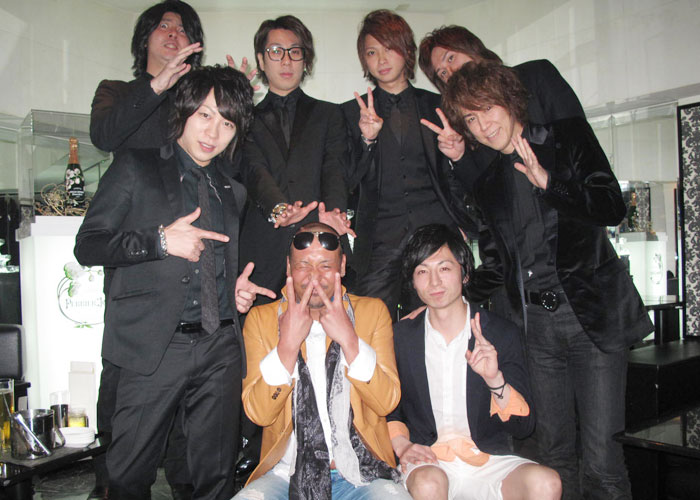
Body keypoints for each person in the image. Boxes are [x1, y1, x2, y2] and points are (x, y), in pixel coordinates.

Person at [441, 62, 654, 499]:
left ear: (509, 99)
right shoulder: (488, 183)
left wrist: (550, 183)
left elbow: (612, 207)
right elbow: (496, 264)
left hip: (589, 318)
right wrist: (444, 303)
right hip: (535, 328)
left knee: (603, 460)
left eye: (487, 109)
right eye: (471, 120)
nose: (483, 126)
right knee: (553, 456)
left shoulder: (565, 138)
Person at [75, 65, 273, 500]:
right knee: (129, 474)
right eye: (205, 115)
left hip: (220, 346)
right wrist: (161, 241)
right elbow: (88, 245)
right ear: (184, 110)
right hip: (154, 346)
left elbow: (216, 264)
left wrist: (233, 295)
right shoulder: (136, 166)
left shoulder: (233, 191)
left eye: (227, 123)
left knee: (214, 477)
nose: (214, 132)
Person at [233, 223, 411, 500]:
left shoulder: (371, 312)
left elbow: (386, 402)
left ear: (342, 266)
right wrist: (287, 346)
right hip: (286, 474)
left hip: (362, 472)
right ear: (289, 268)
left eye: (325, 266)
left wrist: (350, 341)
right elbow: (259, 414)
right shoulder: (262, 319)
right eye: (303, 265)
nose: (314, 277)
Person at [390, 224, 561, 500]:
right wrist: (402, 445)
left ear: (465, 273)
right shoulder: (401, 337)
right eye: (422, 271)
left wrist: (495, 380)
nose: (434, 282)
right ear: (412, 281)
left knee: (546, 483)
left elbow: (523, 427)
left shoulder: (500, 333)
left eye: (444, 268)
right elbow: (389, 408)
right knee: (429, 484)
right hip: (428, 459)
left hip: (487, 458)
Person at [341, 10, 470, 320]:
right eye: (372, 52)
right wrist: (366, 140)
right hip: (379, 238)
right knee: (368, 322)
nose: (381, 59)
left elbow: (455, 177)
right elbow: (346, 181)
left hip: (436, 232)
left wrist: (463, 219)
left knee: (440, 322)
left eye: (389, 48)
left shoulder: (439, 105)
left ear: (406, 50)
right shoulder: (348, 114)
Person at [239, 15, 351, 305]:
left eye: (295, 51)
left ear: (305, 59)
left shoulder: (330, 114)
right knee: (261, 325)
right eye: (276, 51)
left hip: (320, 243)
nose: (286, 61)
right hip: (263, 243)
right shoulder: (245, 119)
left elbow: (335, 169)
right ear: (261, 61)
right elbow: (254, 169)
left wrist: (333, 214)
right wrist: (278, 209)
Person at [417, 25, 586, 194]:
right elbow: (483, 195)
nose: (451, 72)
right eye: (442, 73)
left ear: (471, 48)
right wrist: (460, 157)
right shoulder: (468, 122)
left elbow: (578, 141)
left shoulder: (535, 75)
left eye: (451, 58)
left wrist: (556, 187)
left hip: (569, 199)